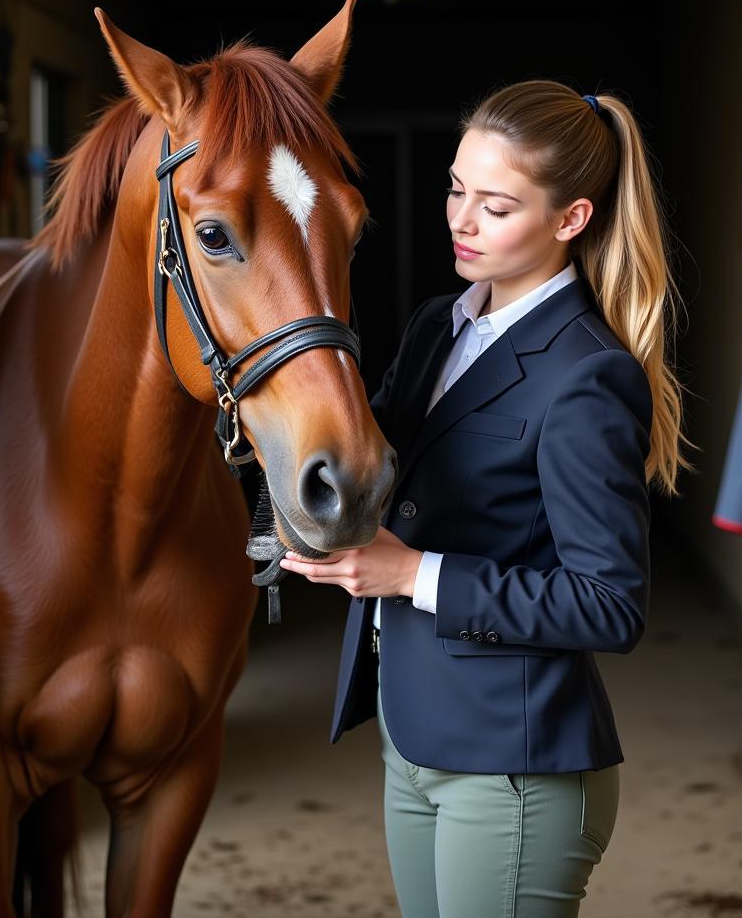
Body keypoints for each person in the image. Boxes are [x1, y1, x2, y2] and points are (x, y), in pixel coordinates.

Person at [279, 81, 693, 917]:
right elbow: (378, 470)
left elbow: (611, 605)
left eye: (496, 206)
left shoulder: (586, 374)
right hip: (414, 736)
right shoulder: (440, 324)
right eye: (455, 189)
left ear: (570, 219)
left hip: (515, 771)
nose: (461, 220)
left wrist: (413, 575)